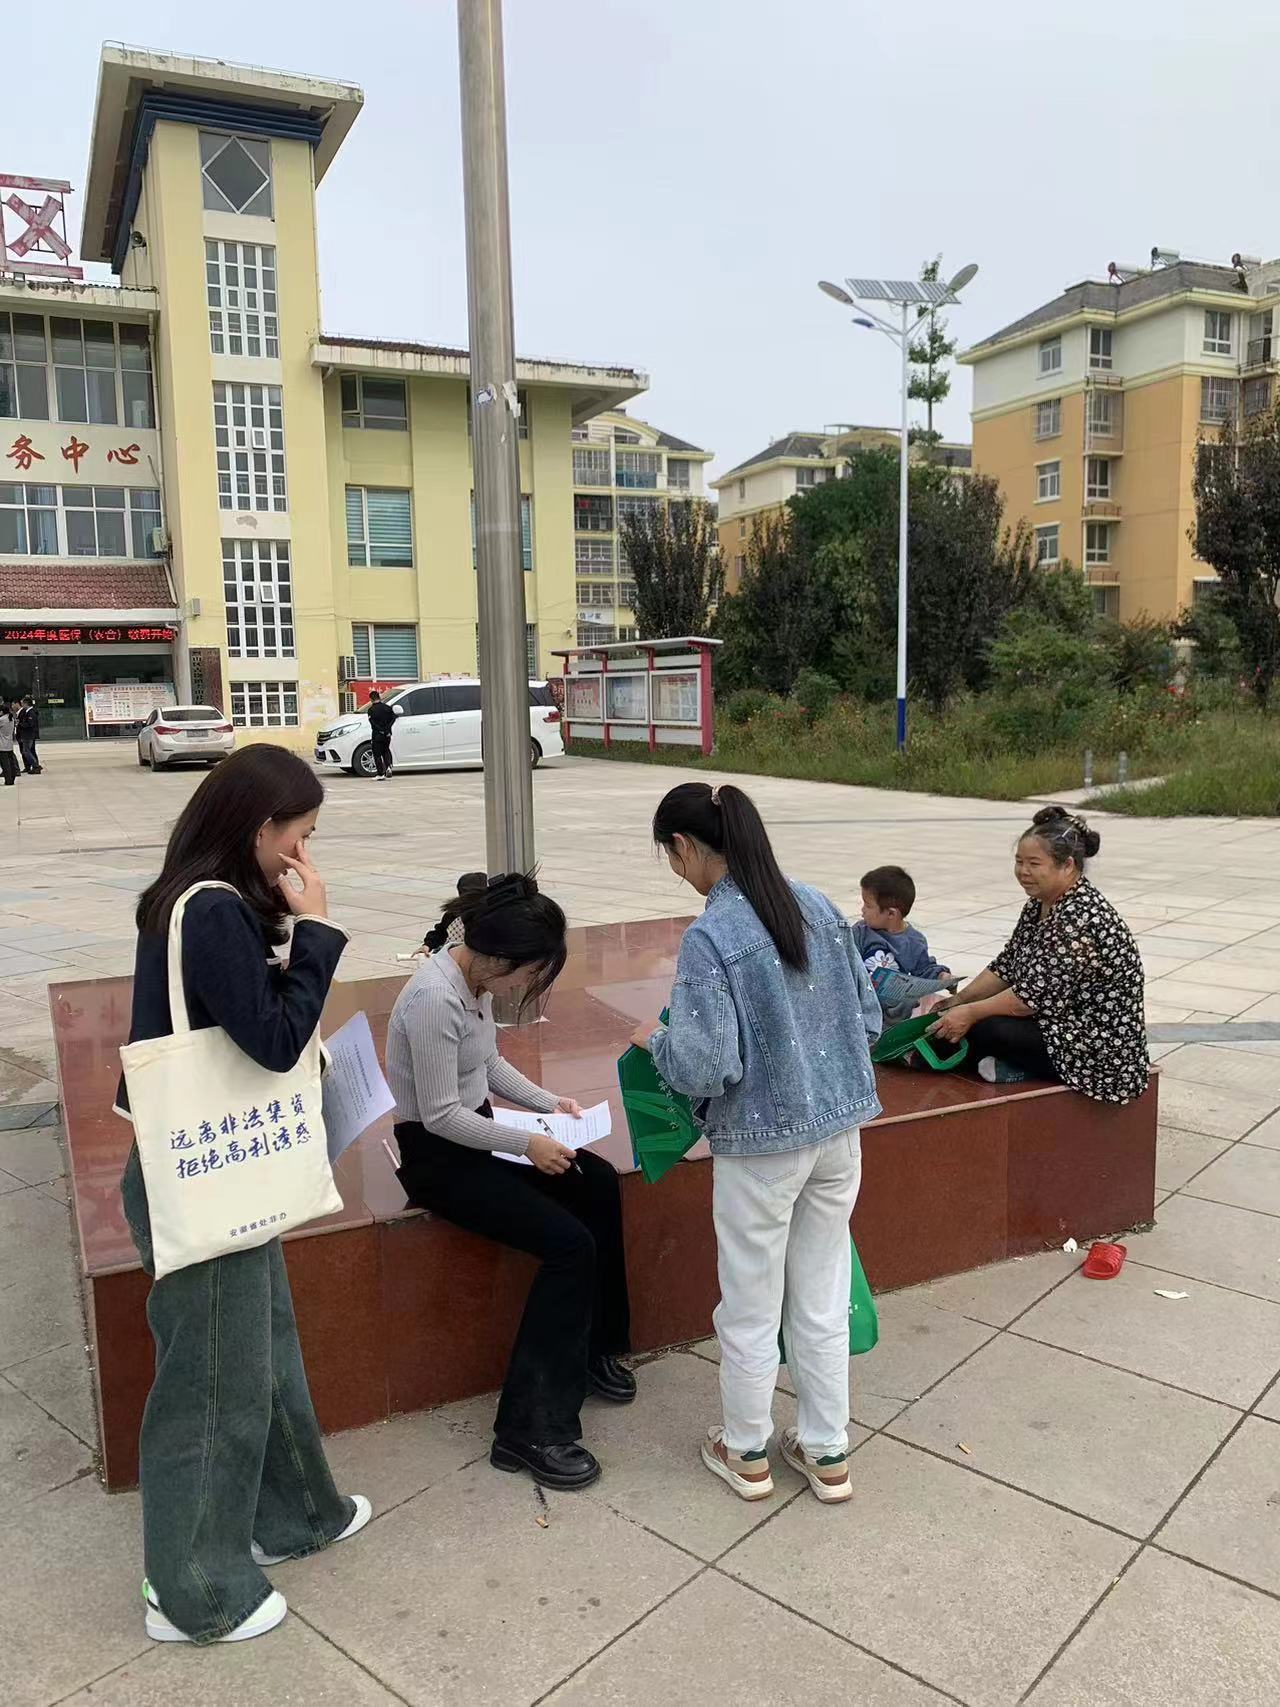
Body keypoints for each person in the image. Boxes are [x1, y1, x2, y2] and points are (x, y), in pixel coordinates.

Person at [117, 746, 370, 1645]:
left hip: (215, 1169)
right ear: (262, 829)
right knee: (212, 1383)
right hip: (202, 1179)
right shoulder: (214, 909)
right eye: (301, 833)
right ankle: (192, 1590)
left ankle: (297, 1512)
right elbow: (272, 1040)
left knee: (261, 1346)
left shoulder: (196, 900)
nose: (305, 852)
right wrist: (318, 931)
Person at [632, 782, 882, 1505]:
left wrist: (655, 1041)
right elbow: (867, 1020)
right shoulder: (817, 904)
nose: (675, 869)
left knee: (749, 1302)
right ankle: (827, 1450)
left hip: (761, 1147)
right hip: (839, 1135)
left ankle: (745, 1450)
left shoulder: (712, 936)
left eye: (670, 856)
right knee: (821, 1296)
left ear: (684, 846)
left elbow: (704, 1064)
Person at [387, 874, 634, 1491]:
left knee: (597, 1181)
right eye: (528, 973)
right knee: (569, 1246)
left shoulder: (473, 981)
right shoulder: (433, 999)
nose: (526, 985)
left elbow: (489, 1063)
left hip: (476, 1133)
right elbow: (440, 1115)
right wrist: (527, 1143)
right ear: (498, 958)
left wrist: (552, 1106)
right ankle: (530, 1429)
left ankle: (595, 1348)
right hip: (439, 1159)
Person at [928, 806, 1149, 1101]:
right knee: (954, 1021)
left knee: (985, 1027)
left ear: (1067, 866)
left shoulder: (1079, 916)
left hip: (1096, 1046)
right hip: (1055, 1019)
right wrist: (960, 1000)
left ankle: (1016, 1069)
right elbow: (1007, 964)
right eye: (1019, 861)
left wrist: (969, 1012)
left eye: (1034, 863)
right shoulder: (1040, 903)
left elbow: (1027, 1001)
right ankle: (999, 1063)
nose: (1023, 871)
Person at [854, 864, 953, 1020]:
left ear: (891, 914)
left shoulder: (914, 941)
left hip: (895, 1014)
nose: (862, 910)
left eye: (868, 905)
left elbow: (924, 970)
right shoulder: (860, 932)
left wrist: (942, 976)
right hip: (863, 1008)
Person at [367, 689, 396, 780]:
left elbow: (373, 723)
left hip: (377, 735)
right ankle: (388, 767)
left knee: (377, 754)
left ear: (371, 699)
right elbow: (393, 719)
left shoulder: (371, 710)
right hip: (387, 734)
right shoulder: (388, 708)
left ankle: (380, 774)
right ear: (379, 697)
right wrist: (387, 730)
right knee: (386, 750)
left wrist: (381, 730)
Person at [15, 695, 40, 774]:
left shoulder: (31, 712)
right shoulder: (28, 712)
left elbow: (30, 724)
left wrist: (20, 724)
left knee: (26, 751)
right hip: (28, 735)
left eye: (23, 703)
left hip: (28, 735)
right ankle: (34, 766)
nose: (22, 705)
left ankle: (36, 766)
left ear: (26, 703)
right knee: (31, 751)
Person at [0, 701, 18, 786]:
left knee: (5, 764)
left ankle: (8, 780)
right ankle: (12, 778)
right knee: (11, 763)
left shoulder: (2, 719)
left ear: (1, 711)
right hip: (9, 744)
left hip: (2, 745)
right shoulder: (11, 718)